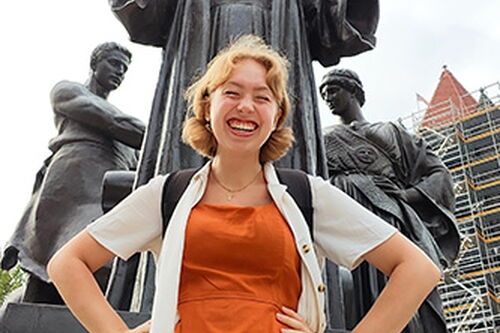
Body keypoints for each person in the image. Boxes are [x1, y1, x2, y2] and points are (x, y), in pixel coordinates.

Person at [48, 36, 441, 333]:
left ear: (277, 116)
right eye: (231, 93)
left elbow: (418, 269)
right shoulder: (168, 193)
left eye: (262, 97)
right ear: (207, 106)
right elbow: (68, 263)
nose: (246, 106)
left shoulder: (307, 194)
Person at [108, 0, 379, 176]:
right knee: (184, 167)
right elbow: (143, 18)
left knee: (285, 174)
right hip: (198, 53)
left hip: (281, 50)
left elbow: (333, 31)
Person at [1, 42, 145, 304]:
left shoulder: (129, 137)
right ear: (94, 64)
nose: (119, 72)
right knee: (77, 255)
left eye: (124, 70)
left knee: (115, 265)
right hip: (73, 182)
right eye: (114, 64)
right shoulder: (68, 91)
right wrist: (176, 136)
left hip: (111, 192)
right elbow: (115, 122)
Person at [320, 68, 460, 332]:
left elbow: (437, 171)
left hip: (384, 215)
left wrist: (407, 196)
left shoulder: (390, 131)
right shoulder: (320, 137)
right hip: (337, 219)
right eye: (324, 93)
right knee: (344, 295)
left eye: (333, 90)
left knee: (391, 286)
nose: (328, 97)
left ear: (353, 92)